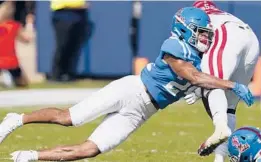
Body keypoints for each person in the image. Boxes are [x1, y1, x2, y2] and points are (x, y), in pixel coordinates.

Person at [0, 7, 253, 161]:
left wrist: (204, 100)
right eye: (201, 32)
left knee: (89, 150)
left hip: (144, 111)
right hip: (130, 91)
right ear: (185, 30)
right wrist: (230, 84)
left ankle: (29, 156)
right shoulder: (174, 46)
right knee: (70, 118)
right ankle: (17, 119)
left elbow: (199, 82)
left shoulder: (201, 59)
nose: (206, 37)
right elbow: (192, 75)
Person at [183, 0, 260, 161]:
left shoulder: (196, 19)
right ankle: (219, 158)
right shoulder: (223, 14)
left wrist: (197, 89)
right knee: (229, 108)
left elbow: (191, 57)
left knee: (212, 84)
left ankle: (220, 129)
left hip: (226, 34)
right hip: (251, 39)